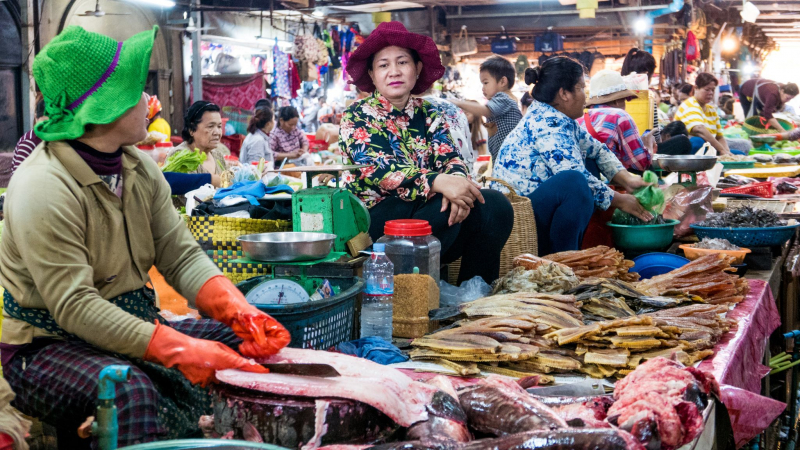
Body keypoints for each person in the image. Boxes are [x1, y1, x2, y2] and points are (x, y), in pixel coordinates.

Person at [0, 26, 289, 448]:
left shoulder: (137, 168)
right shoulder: (43, 187)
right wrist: (176, 349)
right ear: (104, 109)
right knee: (128, 392)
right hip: (44, 346)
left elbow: (180, 255)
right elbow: (75, 307)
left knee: (242, 345)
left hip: (133, 321)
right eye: (135, 92)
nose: (146, 103)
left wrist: (235, 308)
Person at [340, 21, 513, 284]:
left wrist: (458, 184)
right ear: (373, 75)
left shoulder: (431, 112)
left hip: (430, 215)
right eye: (383, 65)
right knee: (446, 205)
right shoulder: (357, 115)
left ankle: (474, 294)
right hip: (379, 223)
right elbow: (381, 170)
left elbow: (450, 156)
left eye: (402, 62)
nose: (394, 71)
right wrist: (438, 181)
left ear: (417, 68)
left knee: (495, 206)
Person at [492, 57, 652, 256]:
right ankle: (564, 259)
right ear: (564, 94)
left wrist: (627, 179)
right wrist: (620, 200)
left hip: (534, 208)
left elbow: (597, 149)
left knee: (588, 166)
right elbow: (574, 176)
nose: (585, 97)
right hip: (517, 220)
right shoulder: (548, 125)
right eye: (581, 88)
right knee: (574, 183)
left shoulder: (559, 119)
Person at [576, 69, 653, 172]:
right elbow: (641, 165)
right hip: (611, 181)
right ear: (617, 101)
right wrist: (649, 146)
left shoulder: (579, 118)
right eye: (624, 99)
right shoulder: (620, 116)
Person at [452, 56, 523, 160]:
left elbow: (487, 111)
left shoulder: (504, 98)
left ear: (503, 82)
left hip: (508, 159)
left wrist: (459, 103)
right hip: (505, 157)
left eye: (486, 83)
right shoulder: (507, 100)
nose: (483, 88)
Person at [674, 73, 732, 155]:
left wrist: (727, 153)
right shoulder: (689, 104)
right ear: (696, 88)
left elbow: (719, 137)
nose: (711, 93)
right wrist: (721, 150)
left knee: (739, 154)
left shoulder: (712, 110)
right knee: (698, 141)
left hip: (709, 149)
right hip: (687, 151)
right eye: (707, 89)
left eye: (713, 90)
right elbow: (699, 130)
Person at [169, 101, 231, 174]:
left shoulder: (218, 156)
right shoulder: (181, 157)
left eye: (219, 126)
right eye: (210, 126)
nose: (217, 132)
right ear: (192, 130)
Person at [422, 89, 475, 169]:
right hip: (463, 172)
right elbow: (468, 151)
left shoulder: (411, 111)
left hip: (433, 178)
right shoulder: (454, 108)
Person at [11, 99, 46, 175]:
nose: (47, 128)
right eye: (43, 123)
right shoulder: (29, 141)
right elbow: (17, 175)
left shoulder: (50, 140)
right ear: (36, 118)